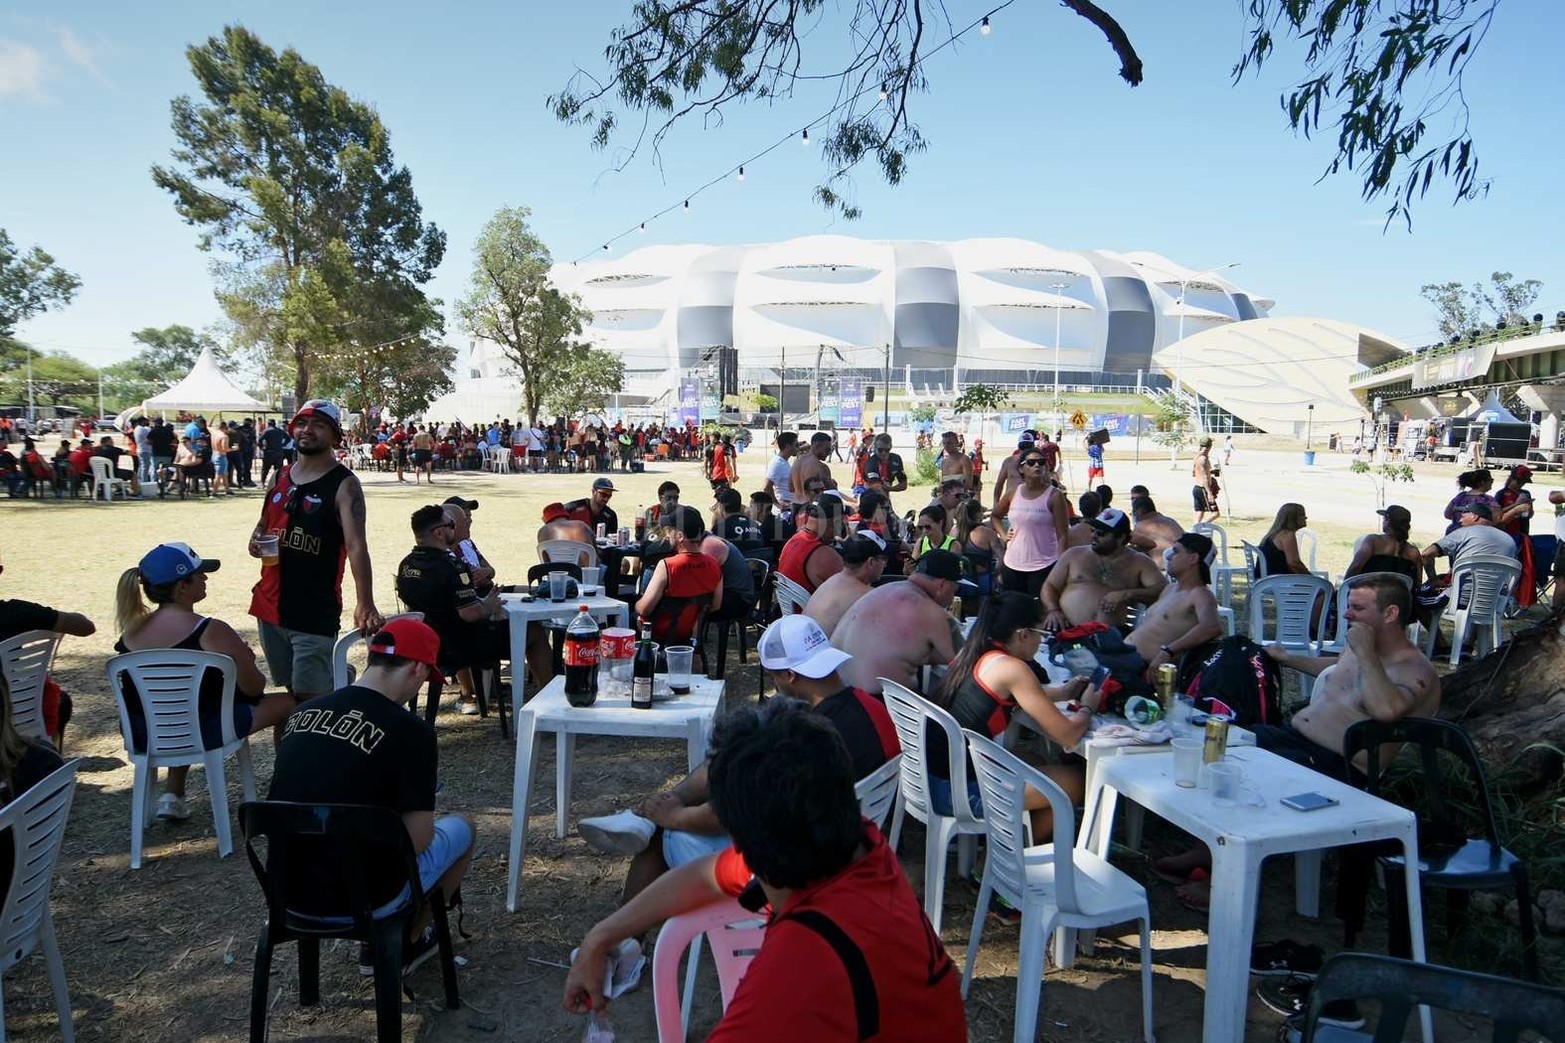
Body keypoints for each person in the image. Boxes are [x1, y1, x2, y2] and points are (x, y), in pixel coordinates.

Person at [564, 698, 964, 1042]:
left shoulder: (804, 967)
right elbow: (705, 876)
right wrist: (601, 937)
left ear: (743, 840)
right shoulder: (855, 847)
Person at [575, 615, 900, 913]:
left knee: (663, 835)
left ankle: (623, 951)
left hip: (797, 867)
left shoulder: (805, 743)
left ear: (789, 674)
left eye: (773, 677)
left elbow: (727, 817)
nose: (775, 687)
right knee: (736, 755)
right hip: (845, 843)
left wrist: (675, 817)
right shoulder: (869, 705)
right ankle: (645, 815)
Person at [1154, 574, 1440, 912]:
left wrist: (1365, 653)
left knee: (1249, 774)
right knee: (1217, 743)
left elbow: (1386, 709)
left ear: (1390, 614)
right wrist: (1287, 658)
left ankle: (1228, 881)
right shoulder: (1361, 647)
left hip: (1339, 767)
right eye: (1347, 606)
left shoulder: (1414, 670)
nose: (1346, 615)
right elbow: (1337, 667)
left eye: (1357, 609)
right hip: (1295, 738)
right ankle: (1210, 848)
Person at [267, 617, 475, 977]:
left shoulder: (301, 715)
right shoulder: (412, 732)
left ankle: (389, 939)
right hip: (369, 898)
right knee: (464, 828)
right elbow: (418, 839)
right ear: (415, 668)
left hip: (288, 891)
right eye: (426, 677)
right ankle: (406, 939)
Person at [115, 543, 297, 820]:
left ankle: (173, 794)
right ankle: (290, 786)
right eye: (198, 574)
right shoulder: (210, 630)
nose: (205, 578)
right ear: (181, 587)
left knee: (180, 710)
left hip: (146, 733)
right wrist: (244, 660)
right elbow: (255, 687)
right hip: (205, 729)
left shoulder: (130, 634)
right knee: (290, 703)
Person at [247, 400, 383, 725]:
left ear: (334, 436)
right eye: (302, 423)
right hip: (269, 606)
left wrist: (365, 601)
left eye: (319, 425)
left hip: (313, 609)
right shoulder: (279, 476)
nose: (307, 430)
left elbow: (356, 545)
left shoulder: (344, 484)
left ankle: (335, 687)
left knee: (311, 701)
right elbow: (264, 524)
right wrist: (256, 539)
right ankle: (288, 770)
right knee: (290, 694)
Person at [928, 593, 1099, 837]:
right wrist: (1088, 707)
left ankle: (1015, 843)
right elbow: (1069, 736)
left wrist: (1062, 693)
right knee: (1071, 781)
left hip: (933, 779)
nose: (1041, 641)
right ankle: (1011, 861)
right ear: (1023, 634)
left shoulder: (974, 653)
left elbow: (1012, 694)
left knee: (1036, 760)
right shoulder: (1012, 668)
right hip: (959, 794)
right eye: (1041, 634)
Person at [395, 505, 510, 714]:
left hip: (421, 643)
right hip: (456, 648)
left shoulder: (406, 565)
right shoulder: (453, 567)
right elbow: (470, 613)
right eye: (451, 525)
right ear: (439, 532)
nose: (454, 529)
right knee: (532, 635)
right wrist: (489, 605)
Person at [833, 550, 965, 694]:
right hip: (876, 704)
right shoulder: (931, 612)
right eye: (954, 590)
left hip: (835, 692)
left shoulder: (882, 591)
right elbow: (966, 662)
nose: (953, 598)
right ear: (942, 585)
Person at [0, 552, 95, 748]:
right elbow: (85, 626)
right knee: (62, 701)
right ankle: (51, 761)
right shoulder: (17, 612)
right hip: (14, 710)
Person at [1040, 507, 1165, 629]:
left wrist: (1127, 594)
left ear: (1120, 537)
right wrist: (1053, 610)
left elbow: (1162, 589)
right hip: (1069, 630)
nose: (1094, 536)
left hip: (1112, 637)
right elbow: (1049, 586)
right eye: (1092, 530)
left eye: (1101, 533)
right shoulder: (1074, 555)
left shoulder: (1139, 562)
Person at [1125, 532, 1225, 680]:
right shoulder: (1169, 589)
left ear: (1193, 558)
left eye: (1176, 551)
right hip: (1125, 656)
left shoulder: (1200, 594)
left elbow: (1211, 627)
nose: (1169, 556)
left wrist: (1168, 651)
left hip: (1143, 667)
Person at [636, 507, 723, 645]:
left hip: (658, 634)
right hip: (691, 636)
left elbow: (644, 609)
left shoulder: (667, 566)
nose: (667, 535)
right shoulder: (714, 564)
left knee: (630, 615)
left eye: (669, 530)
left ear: (680, 536)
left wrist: (635, 603)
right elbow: (715, 605)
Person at [991, 445, 1067, 599]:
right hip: (1013, 564)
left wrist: (1060, 564)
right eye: (1031, 463)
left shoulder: (1055, 496)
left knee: (1037, 613)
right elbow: (995, 516)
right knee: (1012, 611)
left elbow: (1063, 534)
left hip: (1044, 564)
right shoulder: (1014, 493)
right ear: (1021, 469)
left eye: (1041, 462)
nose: (1037, 465)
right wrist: (1004, 536)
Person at [804, 532, 888, 637]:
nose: (885, 565)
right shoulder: (869, 597)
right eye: (883, 559)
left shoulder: (832, 581)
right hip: (826, 650)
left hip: (806, 645)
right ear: (871, 562)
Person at [1421, 501, 1516, 581]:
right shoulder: (1509, 540)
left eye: (1463, 516)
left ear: (1475, 517)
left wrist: (1433, 580)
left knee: (1418, 599)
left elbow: (1426, 554)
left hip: (1461, 597)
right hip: (1497, 600)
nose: (1460, 520)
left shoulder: (1463, 533)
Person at [775, 498, 845, 594]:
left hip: (788, 606)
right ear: (833, 523)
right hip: (812, 608)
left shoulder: (794, 539)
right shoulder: (823, 553)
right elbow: (848, 587)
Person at [1344, 504, 1422, 585]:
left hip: (1370, 594)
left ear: (1387, 520)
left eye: (1384, 518)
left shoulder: (1373, 541)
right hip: (1400, 596)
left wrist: (1343, 588)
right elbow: (1417, 583)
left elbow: (1356, 566)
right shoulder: (1414, 552)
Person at [1494, 465, 1537, 607]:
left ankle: (1514, 594)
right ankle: (1500, 593)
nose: (1521, 485)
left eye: (1524, 482)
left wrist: (1528, 509)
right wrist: (1516, 506)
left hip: (1520, 533)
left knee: (1518, 565)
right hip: (1504, 534)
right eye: (1519, 481)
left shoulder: (1525, 493)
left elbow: (1529, 515)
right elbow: (1497, 513)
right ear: (1512, 479)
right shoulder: (1502, 493)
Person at [441, 496, 495, 591]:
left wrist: (486, 572)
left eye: (470, 516)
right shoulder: (443, 553)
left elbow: (491, 571)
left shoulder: (467, 543)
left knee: (527, 591)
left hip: (487, 593)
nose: (470, 521)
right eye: (464, 518)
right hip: (473, 599)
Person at [954, 499, 1002, 596]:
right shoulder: (987, 533)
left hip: (960, 582)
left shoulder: (953, 531)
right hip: (983, 582)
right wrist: (996, 574)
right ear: (978, 514)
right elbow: (1001, 559)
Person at [1257, 502, 1312, 577]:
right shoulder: (1287, 535)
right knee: (1323, 587)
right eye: (1302, 515)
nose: (1306, 518)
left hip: (1267, 581)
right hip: (1278, 581)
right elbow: (1294, 563)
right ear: (1292, 518)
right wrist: (1311, 577)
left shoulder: (1275, 534)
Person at [711, 487, 765, 555]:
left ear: (721, 506)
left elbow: (712, 552)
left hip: (736, 564)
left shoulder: (720, 529)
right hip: (759, 563)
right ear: (740, 506)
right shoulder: (756, 526)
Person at [1442, 469, 1498, 534]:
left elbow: (1447, 515)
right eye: (1491, 480)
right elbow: (1496, 520)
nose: (1491, 483)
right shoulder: (1488, 500)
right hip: (1475, 535)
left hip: (1454, 533)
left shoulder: (1460, 497)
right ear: (1483, 482)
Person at [790, 431, 835, 505]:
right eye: (827, 449)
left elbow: (791, 488)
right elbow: (832, 493)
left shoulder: (797, 462)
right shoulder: (821, 467)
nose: (829, 453)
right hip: (812, 510)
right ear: (817, 446)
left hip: (796, 507)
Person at [764, 432, 798, 511]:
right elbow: (766, 487)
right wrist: (777, 504)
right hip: (784, 509)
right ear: (788, 446)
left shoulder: (784, 462)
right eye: (796, 445)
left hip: (790, 506)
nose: (798, 448)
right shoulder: (777, 463)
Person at [1192, 437, 1220, 523]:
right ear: (1209, 447)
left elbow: (1195, 473)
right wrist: (1209, 493)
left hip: (1197, 488)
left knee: (1200, 512)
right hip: (1202, 489)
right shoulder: (1203, 459)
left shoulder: (1198, 457)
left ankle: (1194, 532)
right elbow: (1204, 477)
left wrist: (1211, 472)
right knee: (1215, 513)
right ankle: (1199, 527)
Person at [257, 419, 287, 488]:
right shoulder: (280, 431)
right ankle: (278, 484)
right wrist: (282, 445)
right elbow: (288, 439)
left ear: (268, 424)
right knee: (278, 470)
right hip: (279, 452)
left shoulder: (266, 431)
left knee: (265, 469)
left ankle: (263, 483)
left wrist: (262, 448)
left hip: (268, 452)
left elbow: (259, 440)